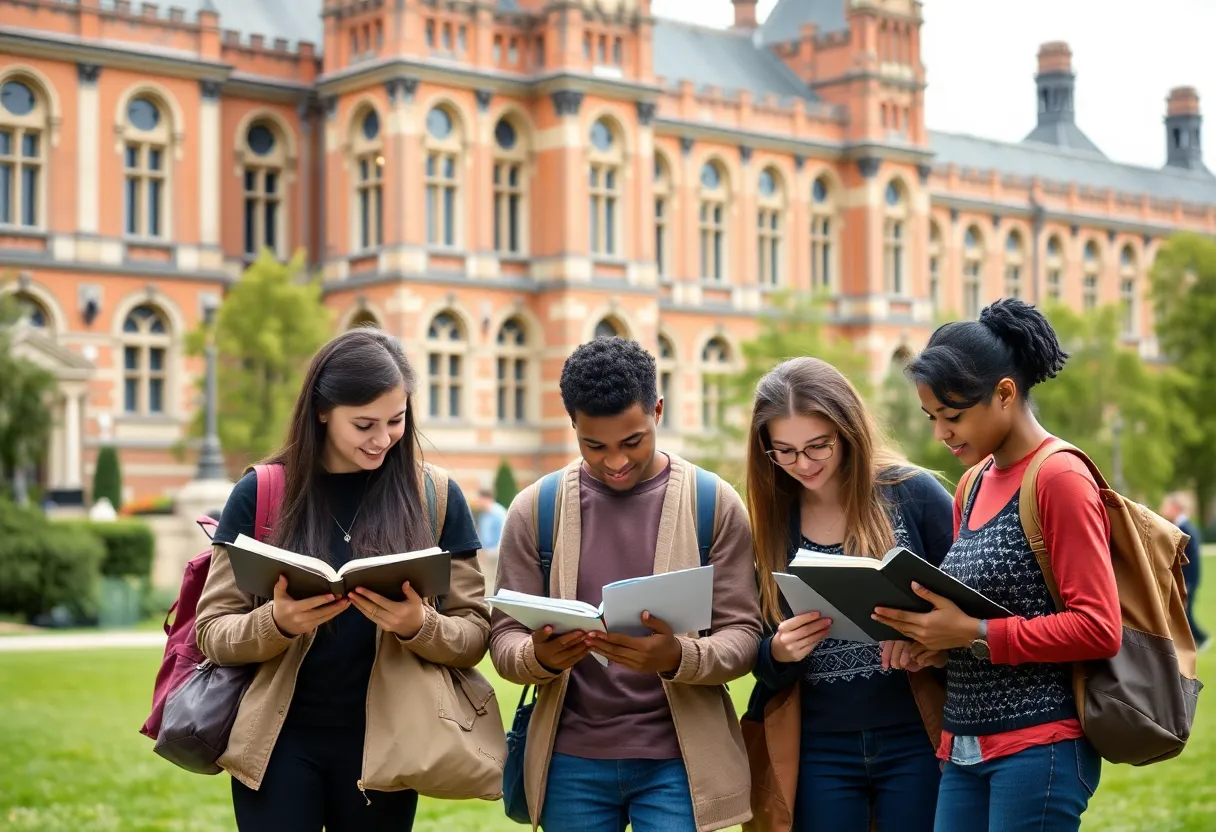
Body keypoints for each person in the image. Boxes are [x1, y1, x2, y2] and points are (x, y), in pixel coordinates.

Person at [196, 328, 488, 832]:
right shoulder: (260, 493)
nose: (382, 439)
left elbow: (474, 634)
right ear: (322, 411)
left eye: (395, 421)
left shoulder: (435, 497)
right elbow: (212, 631)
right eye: (364, 424)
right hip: (276, 746)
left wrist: (420, 624)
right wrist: (276, 622)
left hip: (389, 745)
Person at [489, 336, 762, 832]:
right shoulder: (535, 509)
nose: (615, 461)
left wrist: (678, 657)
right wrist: (541, 657)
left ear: (658, 409)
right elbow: (503, 638)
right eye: (594, 446)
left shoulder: (713, 504)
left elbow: (743, 636)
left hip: (678, 763)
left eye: (632, 442)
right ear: (572, 423)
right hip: (570, 762)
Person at [875, 298, 1121, 832]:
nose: (942, 433)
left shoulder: (1059, 477)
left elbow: (1099, 628)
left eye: (954, 415)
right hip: (963, 745)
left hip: (1039, 746)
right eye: (933, 417)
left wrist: (972, 632)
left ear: (1005, 393)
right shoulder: (972, 483)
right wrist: (930, 645)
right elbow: (976, 623)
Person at [745, 357, 953, 832]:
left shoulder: (911, 493)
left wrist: (928, 641)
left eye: (818, 446)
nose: (804, 464)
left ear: (849, 430)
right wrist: (778, 652)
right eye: (785, 451)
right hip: (818, 745)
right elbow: (748, 646)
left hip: (915, 733)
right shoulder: (772, 519)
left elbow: (972, 604)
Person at [1161, 492, 1209, 651]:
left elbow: (1191, 562)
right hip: (1184, 580)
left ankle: (1201, 638)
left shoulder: (1185, 529)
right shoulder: (1181, 527)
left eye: (1167, 506)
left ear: (1175, 508)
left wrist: (1188, 583)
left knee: (1184, 614)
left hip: (1187, 580)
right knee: (1184, 613)